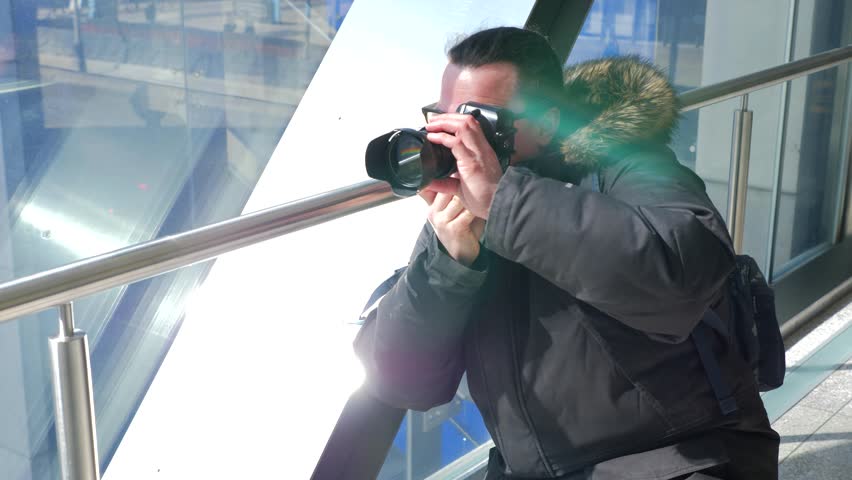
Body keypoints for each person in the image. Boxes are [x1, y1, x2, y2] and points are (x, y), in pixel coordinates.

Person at [354, 27, 779, 480]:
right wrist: (448, 263)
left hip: (683, 458)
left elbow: (682, 274)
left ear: (545, 122)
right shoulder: (464, 209)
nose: (456, 142)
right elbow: (400, 379)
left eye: (477, 121)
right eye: (442, 119)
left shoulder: (625, 167)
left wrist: (506, 203)